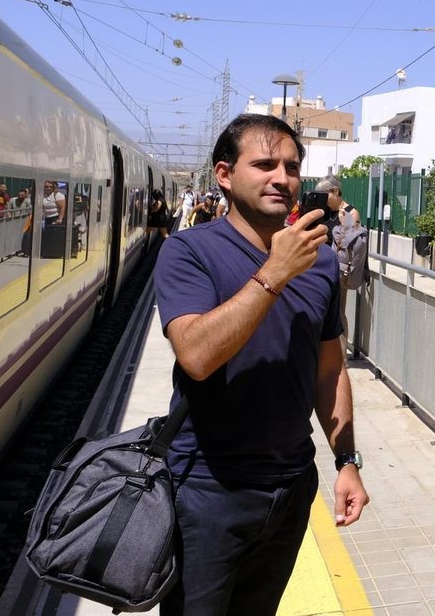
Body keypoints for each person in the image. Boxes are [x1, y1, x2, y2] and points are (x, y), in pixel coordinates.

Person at [155, 114, 367, 616]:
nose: (282, 178)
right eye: (265, 164)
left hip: (290, 488)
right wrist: (274, 271)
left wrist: (347, 462)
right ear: (225, 175)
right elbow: (197, 356)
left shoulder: (318, 263)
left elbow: (329, 371)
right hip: (207, 488)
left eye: (292, 167)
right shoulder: (189, 251)